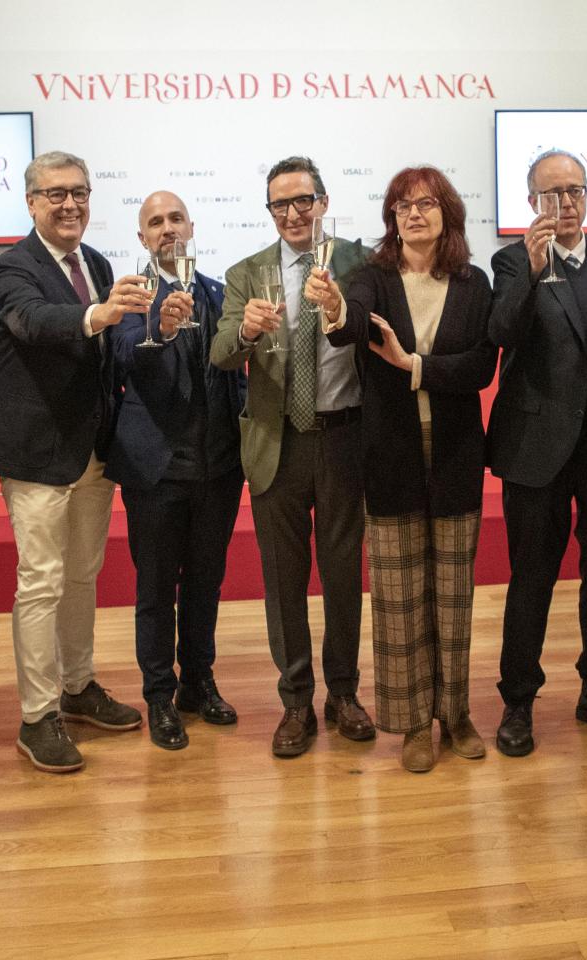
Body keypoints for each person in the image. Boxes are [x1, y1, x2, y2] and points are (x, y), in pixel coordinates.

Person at [321, 166, 497, 772]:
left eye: (425, 203)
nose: (413, 213)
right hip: (390, 453)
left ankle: (457, 712)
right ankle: (413, 721)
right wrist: (334, 306)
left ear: (447, 212)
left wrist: (414, 364)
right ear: (391, 218)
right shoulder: (371, 277)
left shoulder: (475, 284)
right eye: (401, 205)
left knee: (452, 594)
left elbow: (479, 368)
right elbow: (350, 325)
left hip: (454, 455)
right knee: (398, 598)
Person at [0, 151, 153, 773]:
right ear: (30, 202)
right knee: (42, 581)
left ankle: (78, 687)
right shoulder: (13, 267)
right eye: (55, 194)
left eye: (79, 192)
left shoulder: (98, 263)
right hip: (36, 452)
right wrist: (100, 314)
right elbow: (34, 322)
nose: (70, 204)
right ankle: (37, 716)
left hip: (92, 452)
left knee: (83, 575)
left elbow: (110, 356)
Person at [210, 156, 376, 758]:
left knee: (341, 576)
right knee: (283, 582)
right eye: (281, 205)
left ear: (324, 202)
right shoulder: (246, 272)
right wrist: (248, 332)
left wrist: (341, 309)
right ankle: (296, 702)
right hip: (275, 443)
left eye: (303, 201)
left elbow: (378, 330)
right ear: (271, 212)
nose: (293, 214)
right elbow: (222, 353)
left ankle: (345, 694)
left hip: (343, 436)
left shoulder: (359, 262)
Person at [488, 148, 587, 758]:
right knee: (533, 578)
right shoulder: (509, 261)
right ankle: (518, 701)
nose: (565, 204)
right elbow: (501, 335)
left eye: (575, 191)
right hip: (536, 446)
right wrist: (529, 273)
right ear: (531, 204)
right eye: (551, 194)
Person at [105, 191, 245, 750]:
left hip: (218, 469)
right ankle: (159, 694)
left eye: (176, 218)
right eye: (155, 222)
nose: (168, 229)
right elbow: (121, 358)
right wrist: (159, 330)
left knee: (207, 584)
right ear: (142, 238)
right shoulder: (130, 297)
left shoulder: (219, 293)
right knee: (157, 589)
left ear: (192, 227)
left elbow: (236, 372)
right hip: (156, 470)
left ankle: (199, 682)